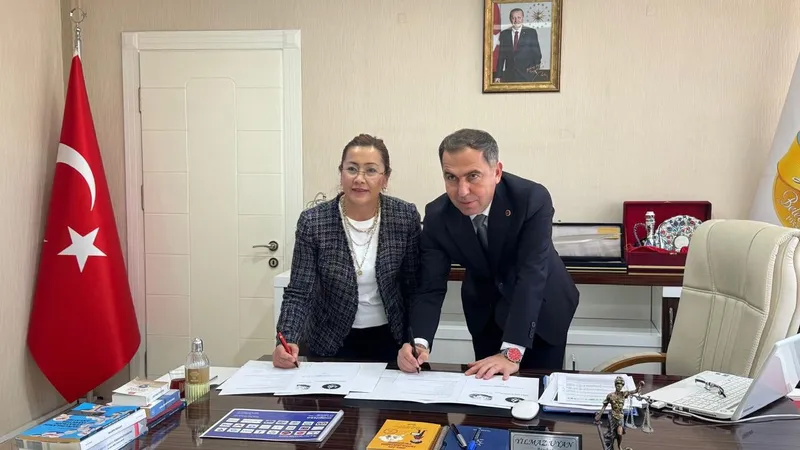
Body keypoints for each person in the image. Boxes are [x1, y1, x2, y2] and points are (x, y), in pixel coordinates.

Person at [397, 128, 579, 379]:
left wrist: (511, 353)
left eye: (473, 176)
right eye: (451, 177)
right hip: (486, 312)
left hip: (541, 309)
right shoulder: (438, 216)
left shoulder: (531, 199)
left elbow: (532, 275)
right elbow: (430, 286)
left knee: (539, 390)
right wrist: (419, 342)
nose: (462, 191)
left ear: (497, 172)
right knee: (487, 388)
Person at [274, 134, 421, 368]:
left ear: (385, 178)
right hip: (328, 339)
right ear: (341, 173)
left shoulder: (404, 216)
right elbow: (299, 291)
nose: (359, 179)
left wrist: (414, 341)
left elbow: (413, 288)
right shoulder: (314, 221)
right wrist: (287, 338)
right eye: (351, 169)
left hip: (391, 340)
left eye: (371, 170)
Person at [493, 8, 542, 83]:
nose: (516, 20)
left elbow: (537, 55)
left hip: (527, 77)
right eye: (514, 18)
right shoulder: (504, 34)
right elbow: (501, 57)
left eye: (519, 17)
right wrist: (498, 75)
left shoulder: (531, 33)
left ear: (522, 18)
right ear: (510, 19)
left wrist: (532, 73)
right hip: (510, 76)